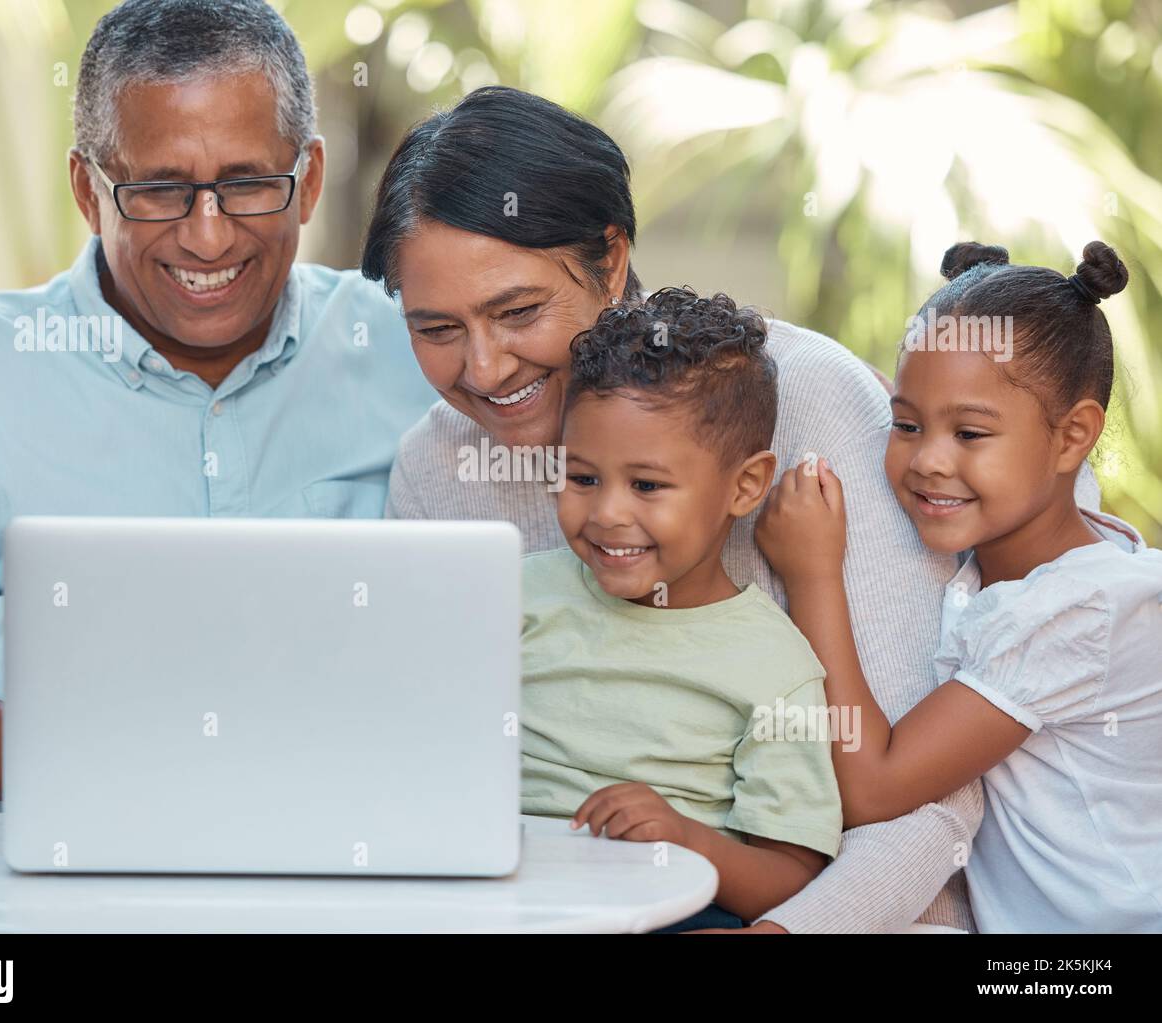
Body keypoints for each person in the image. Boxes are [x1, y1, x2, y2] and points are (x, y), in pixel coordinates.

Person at [364, 84, 1101, 932]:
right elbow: (428, 752)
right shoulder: (438, 463)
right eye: (437, 329)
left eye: (519, 311)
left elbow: (928, 804)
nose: (486, 369)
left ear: (610, 259)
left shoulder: (814, 403)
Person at [0, 0, 435, 813]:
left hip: (347, 848)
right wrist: (62, 754)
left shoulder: (415, 351)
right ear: (87, 192)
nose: (208, 237)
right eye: (161, 190)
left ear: (307, 181)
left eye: (246, 185)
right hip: (28, 883)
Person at [756, 241, 1162, 933]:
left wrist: (813, 576)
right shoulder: (1027, 561)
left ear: (1072, 438)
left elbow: (874, 787)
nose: (928, 460)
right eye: (907, 424)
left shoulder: (1078, 609)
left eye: (970, 432)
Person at [521, 288, 842, 932]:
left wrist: (684, 839)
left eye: (646, 485)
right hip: (507, 889)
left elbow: (791, 878)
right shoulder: (515, 595)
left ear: (745, 486)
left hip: (673, 911)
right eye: (583, 478)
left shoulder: (775, 664)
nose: (607, 512)